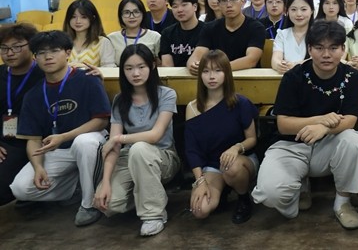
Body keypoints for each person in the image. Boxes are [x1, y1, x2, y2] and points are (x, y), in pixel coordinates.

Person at [253, 21, 358, 229]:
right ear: (309, 49)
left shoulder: (352, 77)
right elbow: (284, 124)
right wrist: (320, 120)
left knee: (353, 139)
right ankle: (299, 187)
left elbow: (351, 119)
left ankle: (343, 202)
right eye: (319, 48)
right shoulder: (293, 77)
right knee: (269, 194)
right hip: (291, 146)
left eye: (333, 48)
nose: (326, 54)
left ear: (343, 49)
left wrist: (324, 129)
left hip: (328, 147)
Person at [10, 30, 110, 227]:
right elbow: (33, 139)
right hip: (58, 150)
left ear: (68, 53)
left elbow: (101, 121)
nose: (48, 57)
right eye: (41, 53)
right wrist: (38, 167)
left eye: (54, 51)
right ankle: (76, 187)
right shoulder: (33, 95)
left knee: (83, 143)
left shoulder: (87, 78)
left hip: (91, 141)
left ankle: (89, 204)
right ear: (35, 58)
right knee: (20, 188)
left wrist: (64, 136)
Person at [93, 45, 179, 236]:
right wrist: (105, 182)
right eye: (129, 68)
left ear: (152, 66)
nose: (136, 73)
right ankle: (151, 195)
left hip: (163, 157)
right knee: (109, 205)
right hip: (129, 157)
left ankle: (154, 215)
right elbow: (114, 148)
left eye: (141, 67)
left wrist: (118, 138)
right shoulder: (120, 100)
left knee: (139, 149)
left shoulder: (166, 94)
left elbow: (155, 135)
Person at [185, 50, 258, 224]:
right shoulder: (192, 108)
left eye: (218, 71)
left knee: (231, 167)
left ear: (227, 73)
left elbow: (252, 139)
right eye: (206, 71)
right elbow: (192, 150)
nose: (212, 76)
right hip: (212, 165)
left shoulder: (241, 103)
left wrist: (236, 148)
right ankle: (223, 189)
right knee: (200, 210)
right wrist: (200, 181)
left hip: (241, 161)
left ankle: (243, 198)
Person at [0, 23, 43, 206]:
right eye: (4, 48)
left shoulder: (44, 73)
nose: (9, 53)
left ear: (31, 46)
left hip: (33, 141)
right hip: (4, 141)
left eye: (16, 47)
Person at [187, 0, 265, 75]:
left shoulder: (256, 28)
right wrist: (192, 65)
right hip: (216, 78)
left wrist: (217, 68)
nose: (229, 5)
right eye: (223, 0)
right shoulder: (210, 28)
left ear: (243, 1)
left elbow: (251, 60)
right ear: (219, 4)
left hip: (247, 78)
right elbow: (197, 55)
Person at [107, 0, 161, 65]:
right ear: (120, 15)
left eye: (136, 12)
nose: (131, 16)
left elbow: (160, 65)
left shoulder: (155, 37)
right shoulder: (111, 39)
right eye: (126, 12)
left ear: (143, 14)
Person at [63, 0, 115, 69]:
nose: (78, 21)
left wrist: (87, 68)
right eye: (73, 17)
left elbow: (110, 69)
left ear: (92, 18)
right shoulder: (61, 42)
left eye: (83, 17)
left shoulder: (103, 42)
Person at [271, 0, 314, 74]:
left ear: (312, 10)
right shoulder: (282, 34)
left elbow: (317, 60)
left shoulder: (319, 34)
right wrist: (279, 65)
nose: (298, 14)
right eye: (293, 9)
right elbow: (275, 59)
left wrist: (294, 65)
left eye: (303, 9)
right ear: (287, 11)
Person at [160, 0, 204, 68]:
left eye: (184, 5)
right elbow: (167, 66)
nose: (179, 10)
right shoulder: (167, 33)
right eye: (175, 6)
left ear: (195, 6)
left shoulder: (208, 30)